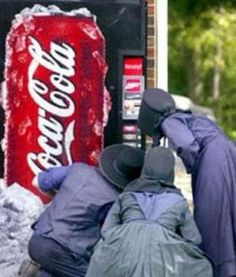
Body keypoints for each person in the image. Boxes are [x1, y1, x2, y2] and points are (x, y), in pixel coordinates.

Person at [137, 88, 236, 277]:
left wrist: (196, 168)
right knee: (228, 215)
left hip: (212, 161)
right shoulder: (192, 117)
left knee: (211, 219)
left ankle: (216, 270)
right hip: (229, 156)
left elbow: (186, 145)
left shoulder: (169, 121)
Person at [86, 147, 213, 277]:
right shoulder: (178, 201)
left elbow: (106, 230)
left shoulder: (127, 195)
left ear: (145, 168)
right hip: (162, 258)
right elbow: (194, 239)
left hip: (122, 252)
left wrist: (125, 236)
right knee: (204, 266)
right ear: (171, 171)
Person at [27, 144, 145, 277]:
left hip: (37, 240)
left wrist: (58, 196)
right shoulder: (115, 199)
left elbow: (36, 181)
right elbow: (110, 238)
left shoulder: (78, 169)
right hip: (63, 252)